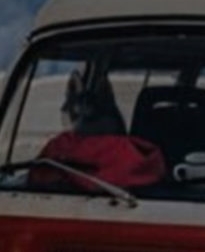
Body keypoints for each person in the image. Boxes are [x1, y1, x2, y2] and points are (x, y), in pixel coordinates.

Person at [28, 72, 166, 190]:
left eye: (88, 120)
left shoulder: (59, 148)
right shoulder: (141, 159)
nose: (78, 127)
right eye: (76, 117)